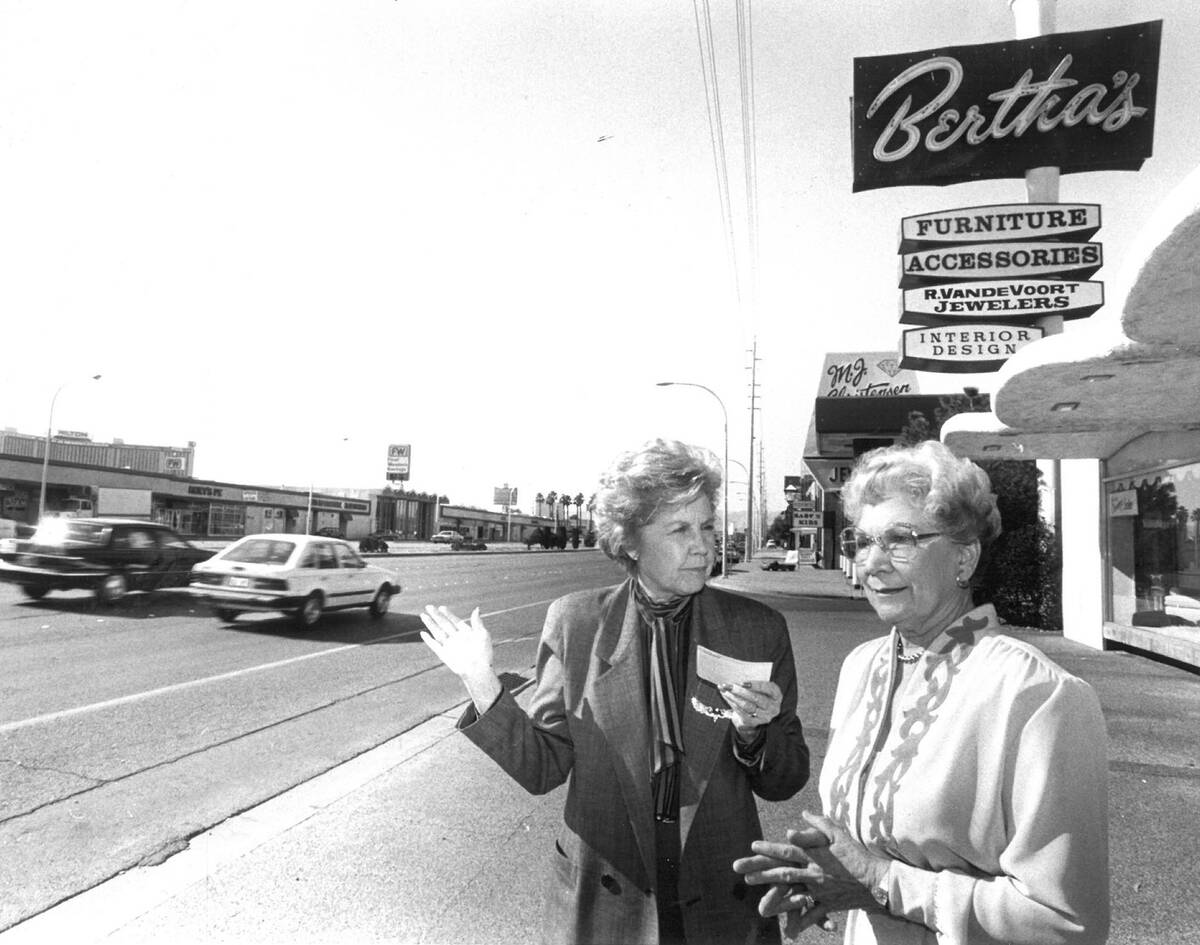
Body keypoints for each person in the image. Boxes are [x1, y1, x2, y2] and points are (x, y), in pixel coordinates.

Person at [420, 439, 810, 945]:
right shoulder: (577, 622)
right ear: (629, 542)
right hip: (605, 905)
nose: (704, 545)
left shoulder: (757, 629)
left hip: (722, 900)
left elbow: (787, 779)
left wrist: (755, 735)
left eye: (708, 526)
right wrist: (480, 679)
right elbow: (543, 767)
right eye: (680, 529)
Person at [734, 440, 1109, 945]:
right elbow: (870, 851)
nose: (873, 563)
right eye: (863, 541)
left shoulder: (1037, 696)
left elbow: (1068, 921)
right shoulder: (862, 667)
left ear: (965, 558)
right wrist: (825, 874)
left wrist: (878, 882)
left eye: (901, 539)